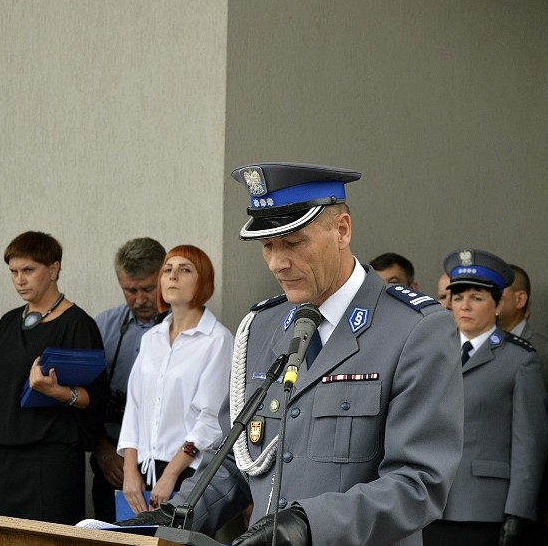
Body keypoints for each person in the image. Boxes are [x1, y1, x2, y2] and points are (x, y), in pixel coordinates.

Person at [120, 162, 463, 546]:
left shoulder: (413, 328)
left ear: (342, 230)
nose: (277, 263)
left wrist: (309, 524)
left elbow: (420, 483)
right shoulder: (262, 327)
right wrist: (179, 513)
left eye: (294, 243)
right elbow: (237, 457)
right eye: (267, 245)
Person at [0, 231, 107, 524]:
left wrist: (59, 393)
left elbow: (96, 397)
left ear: (54, 269)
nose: (19, 280)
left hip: (50, 460)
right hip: (4, 459)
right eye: (13, 272)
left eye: (28, 270)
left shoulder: (78, 324)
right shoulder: (8, 321)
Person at [425, 249, 548, 546]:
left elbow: (529, 444)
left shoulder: (519, 360)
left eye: (477, 298)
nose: (464, 305)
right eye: (457, 297)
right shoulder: (431, 353)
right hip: (430, 501)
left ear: (497, 304)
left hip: (484, 505)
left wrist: (518, 511)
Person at [118, 244, 233, 516]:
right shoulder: (151, 339)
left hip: (187, 471)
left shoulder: (217, 340)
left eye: (185, 270)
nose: (173, 276)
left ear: (202, 281)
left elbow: (211, 418)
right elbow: (133, 408)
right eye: (167, 270)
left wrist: (171, 474)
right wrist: (129, 470)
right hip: (142, 471)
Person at [91, 237, 167, 522]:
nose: (140, 299)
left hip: (168, 462)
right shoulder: (103, 326)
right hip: (112, 460)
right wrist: (102, 450)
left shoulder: (190, 328)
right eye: (129, 291)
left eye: (148, 289)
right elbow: (86, 399)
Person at [496, 263, 548, 425]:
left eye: (497, 293)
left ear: (519, 299)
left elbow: (545, 416)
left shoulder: (547, 350)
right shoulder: (481, 345)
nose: (489, 298)